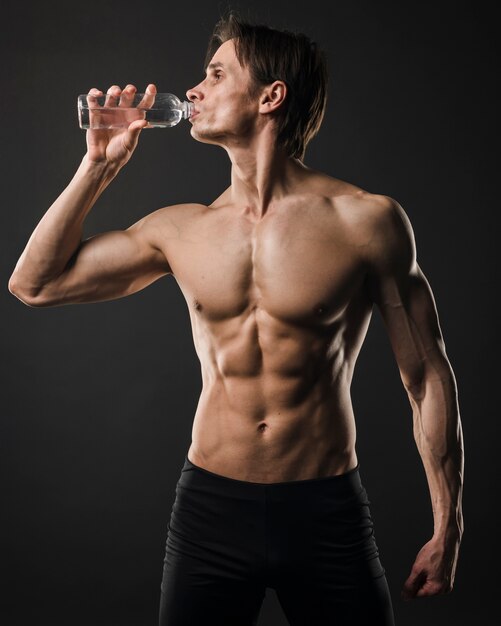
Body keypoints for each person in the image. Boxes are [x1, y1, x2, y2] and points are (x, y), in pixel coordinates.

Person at [8, 11, 464, 626]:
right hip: (211, 511)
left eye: (217, 74)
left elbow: (427, 374)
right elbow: (34, 284)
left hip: (326, 509)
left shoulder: (365, 221)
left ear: (271, 97)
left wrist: (449, 524)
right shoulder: (181, 229)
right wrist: (99, 167)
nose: (193, 89)